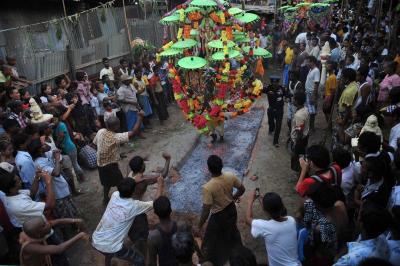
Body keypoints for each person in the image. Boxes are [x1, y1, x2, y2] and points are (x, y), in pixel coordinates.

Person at [92, 176, 164, 266]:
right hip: (113, 247)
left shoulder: (115, 195)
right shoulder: (134, 206)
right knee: (140, 260)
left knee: (108, 254)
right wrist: (160, 184)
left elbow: (123, 186)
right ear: (134, 192)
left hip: (96, 240)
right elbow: (156, 202)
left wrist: (133, 180)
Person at [199, 155, 245, 266]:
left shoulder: (207, 187)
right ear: (221, 166)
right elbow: (242, 189)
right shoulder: (230, 176)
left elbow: (206, 209)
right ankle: (239, 254)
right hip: (231, 210)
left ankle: (207, 260)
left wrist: (200, 224)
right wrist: (233, 197)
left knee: (210, 239)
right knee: (232, 229)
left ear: (209, 169)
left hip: (218, 216)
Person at [93, 113, 144, 204]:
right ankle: (124, 199)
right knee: (120, 183)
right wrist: (140, 118)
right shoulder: (115, 137)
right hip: (110, 165)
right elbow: (133, 133)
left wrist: (114, 154)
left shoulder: (101, 131)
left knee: (106, 184)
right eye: (119, 124)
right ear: (116, 126)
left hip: (100, 164)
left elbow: (97, 144)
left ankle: (105, 199)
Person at [127, 153, 171, 256]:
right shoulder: (144, 180)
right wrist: (168, 159)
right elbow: (163, 175)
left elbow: (130, 161)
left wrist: (141, 159)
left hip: (127, 206)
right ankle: (144, 251)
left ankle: (136, 243)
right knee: (142, 232)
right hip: (137, 210)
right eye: (143, 163)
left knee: (131, 229)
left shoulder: (129, 174)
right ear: (142, 167)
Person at [29, 139, 79, 221]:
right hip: (58, 194)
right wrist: (57, 158)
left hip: (62, 188)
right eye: (43, 144)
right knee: (66, 216)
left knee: (73, 211)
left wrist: (56, 155)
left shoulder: (46, 154)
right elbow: (56, 173)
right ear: (39, 149)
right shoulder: (39, 163)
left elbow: (57, 155)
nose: (46, 144)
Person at [246, 190, 301, 266]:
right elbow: (273, 218)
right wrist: (261, 199)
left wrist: (250, 201)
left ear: (266, 210)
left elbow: (248, 219)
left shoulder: (265, 227)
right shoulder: (291, 221)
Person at [0, 162, 55, 228]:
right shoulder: (19, 205)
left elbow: (31, 193)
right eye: (18, 181)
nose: (21, 182)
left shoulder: (13, 194)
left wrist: (37, 177)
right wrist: (48, 182)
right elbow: (49, 205)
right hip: (39, 232)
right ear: (11, 189)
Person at [19, 216, 88, 266]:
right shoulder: (30, 247)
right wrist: (80, 235)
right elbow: (58, 249)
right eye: (44, 225)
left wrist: (75, 220)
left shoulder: (35, 232)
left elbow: (58, 221)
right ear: (38, 234)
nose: (48, 224)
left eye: (45, 222)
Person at [148, 196, 180, 266]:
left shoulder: (153, 237)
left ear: (155, 212)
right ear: (171, 209)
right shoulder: (181, 227)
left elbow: (152, 262)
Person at [53, 115, 85, 182]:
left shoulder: (61, 125)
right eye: (52, 120)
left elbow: (61, 136)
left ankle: (82, 178)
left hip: (69, 147)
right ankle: (80, 178)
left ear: (58, 118)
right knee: (74, 165)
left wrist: (56, 144)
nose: (53, 121)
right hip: (67, 147)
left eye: (54, 119)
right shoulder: (57, 126)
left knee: (75, 164)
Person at [264, 76, 286, 147]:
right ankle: (271, 129)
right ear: (271, 83)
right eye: (273, 82)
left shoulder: (282, 88)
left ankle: (275, 141)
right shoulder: (268, 88)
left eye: (276, 82)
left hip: (280, 110)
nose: (274, 84)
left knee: (278, 126)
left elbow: (287, 94)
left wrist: (288, 98)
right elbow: (259, 90)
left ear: (278, 82)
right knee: (271, 123)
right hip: (271, 109)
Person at [290, 91, 310, 172]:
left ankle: (302, 173)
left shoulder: (299, 115)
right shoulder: (305, 109)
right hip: (305, 137)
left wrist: (295, 146)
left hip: (299, 140)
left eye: (294, 98)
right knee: (302, 155)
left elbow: (299, 132)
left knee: (297, 157)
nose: (292, 99)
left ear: (297, 101)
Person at [304, 56, 320, 131]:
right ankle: (309, 126)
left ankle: (311, 127)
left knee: (312, 112)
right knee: (308, 110)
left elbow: (316, 84)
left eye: (308, 61)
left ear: (312, 62)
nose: (307, 63)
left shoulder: (316, 71)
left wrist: (314, 96)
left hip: (311, 93)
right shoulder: (311, 70)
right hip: (308, 92)